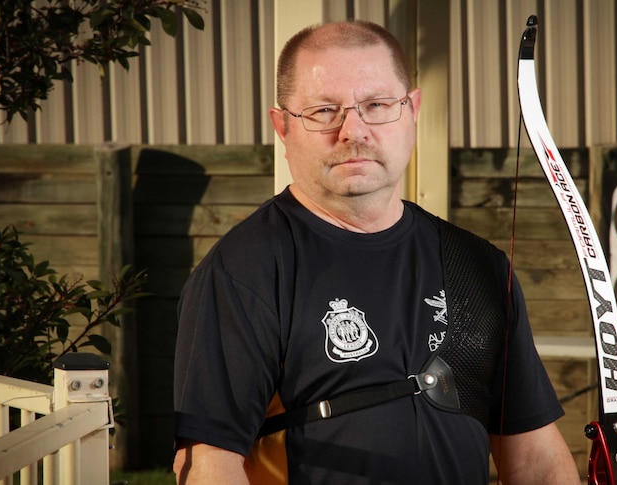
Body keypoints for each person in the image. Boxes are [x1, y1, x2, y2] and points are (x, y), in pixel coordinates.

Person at [172, 19, 581, 484]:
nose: (353, 131)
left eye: (377, 105)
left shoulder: (475, 266)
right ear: (282, 127)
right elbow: (208, 464)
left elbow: (536, 459)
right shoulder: (245, 270)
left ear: (412, 109)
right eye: (324, 111)